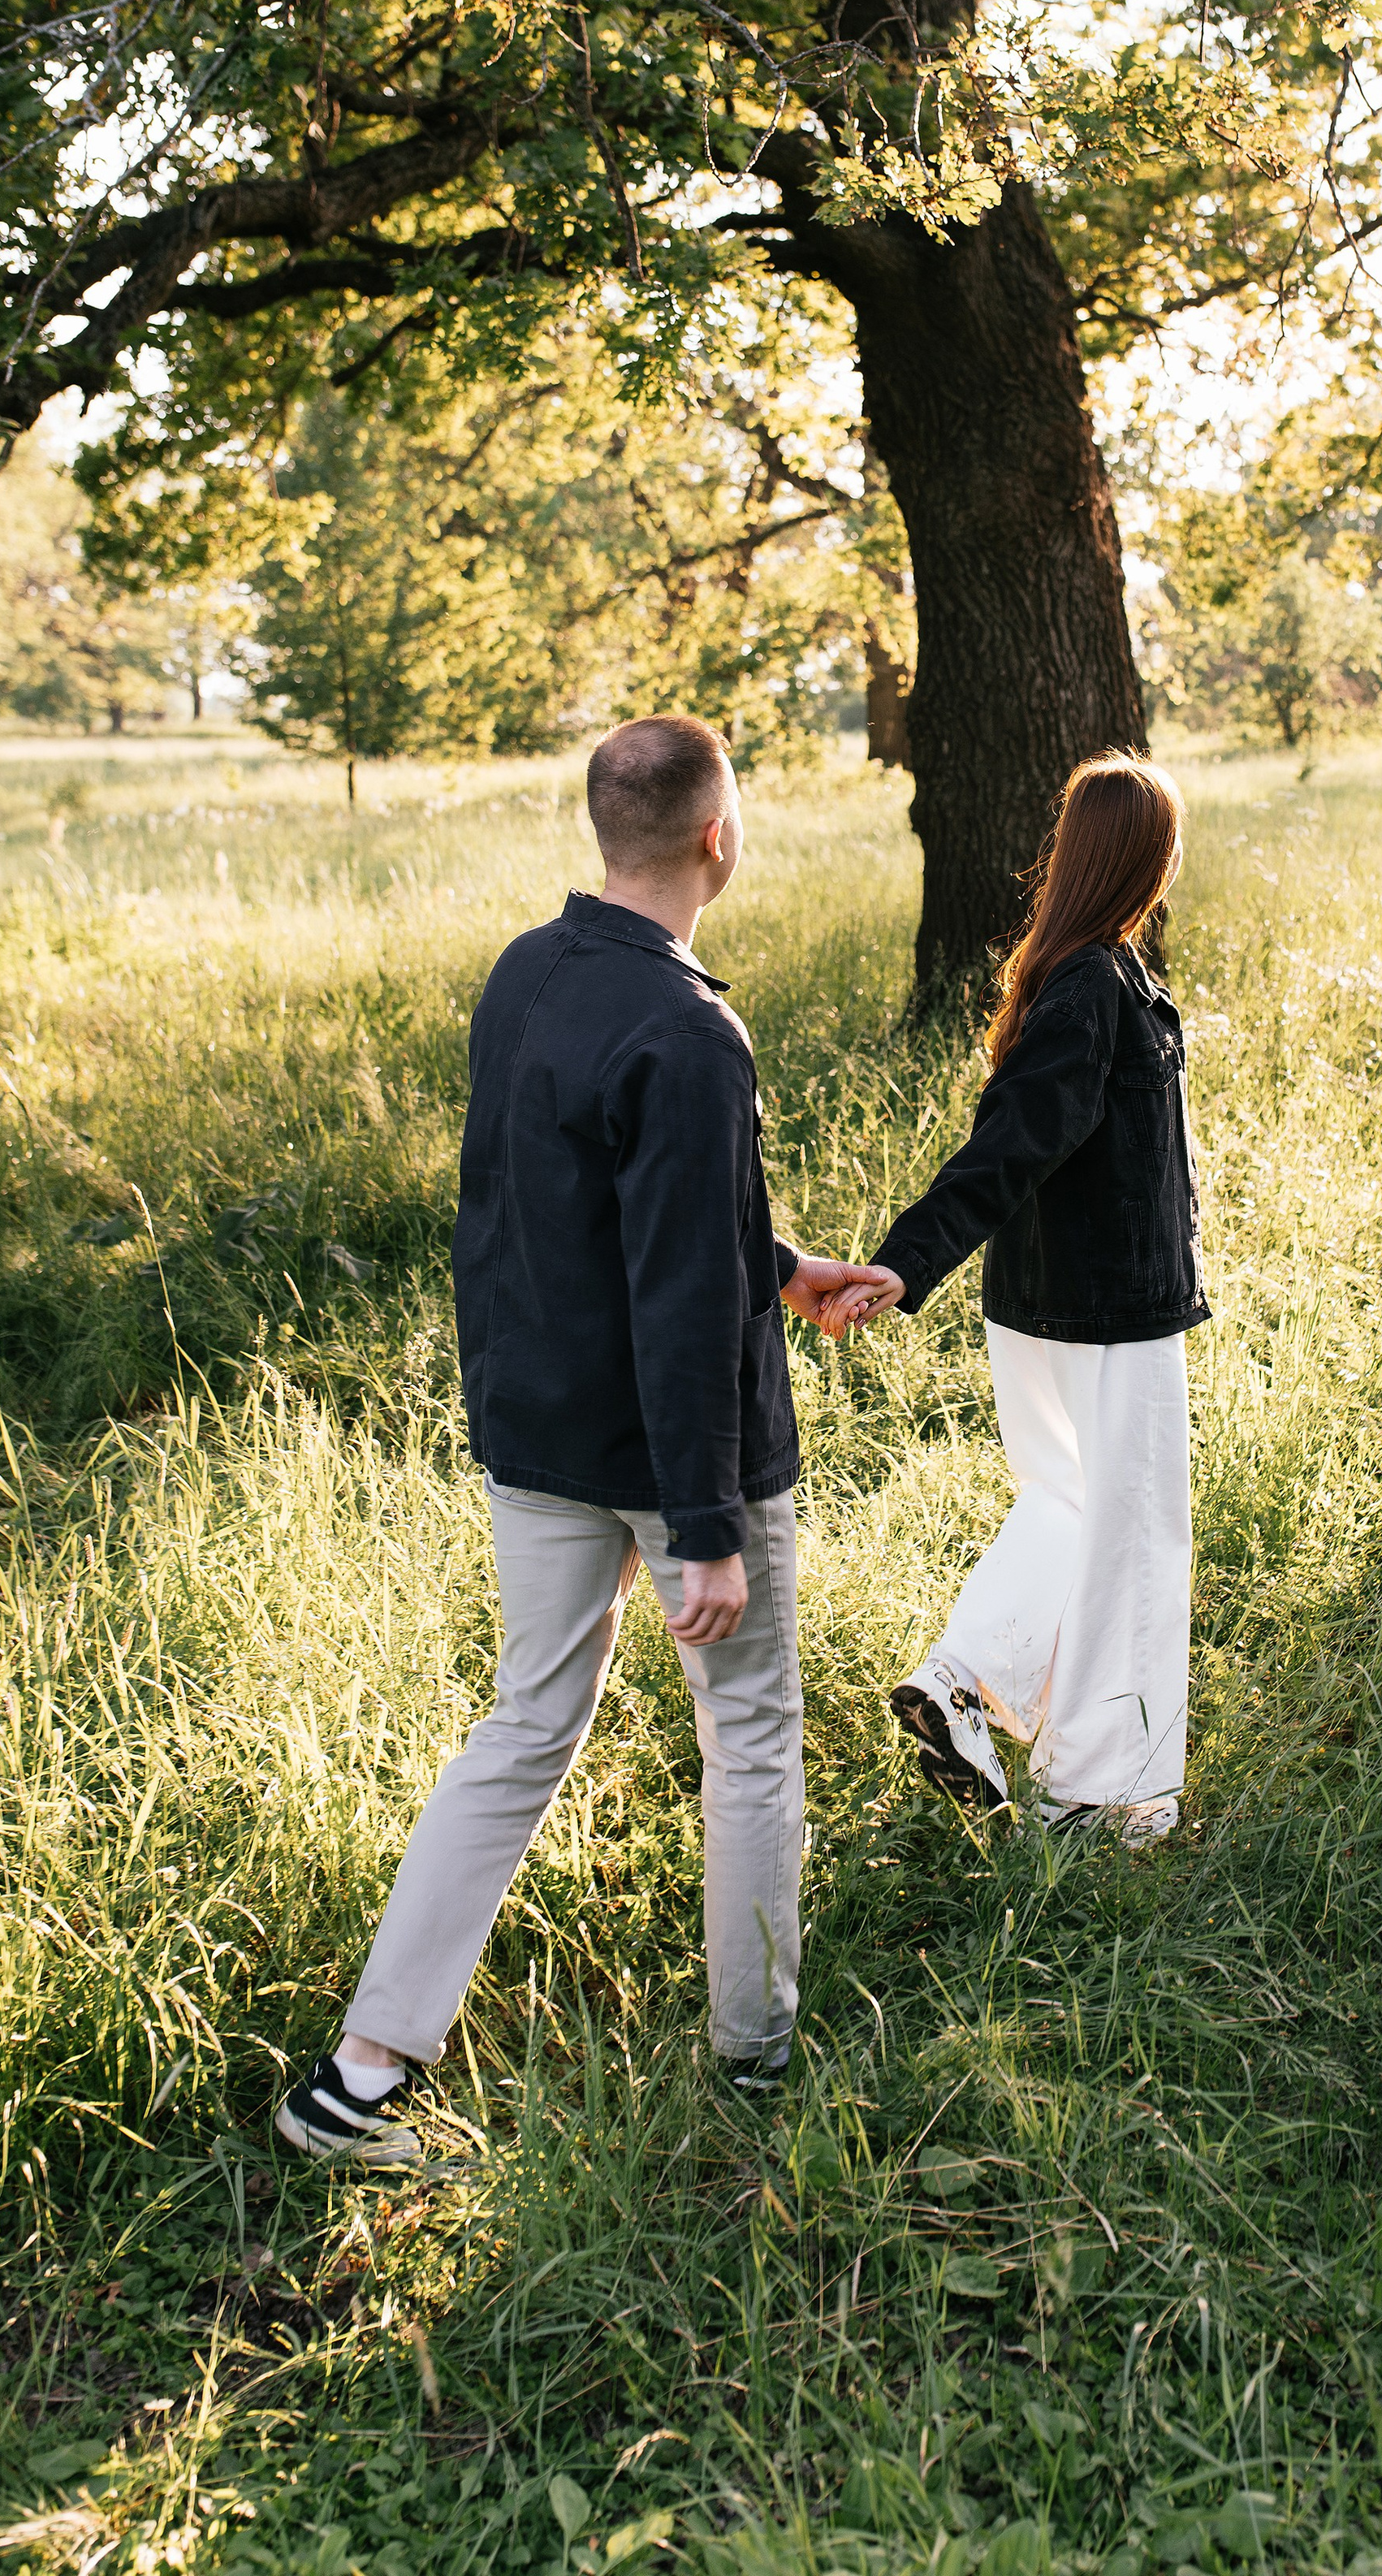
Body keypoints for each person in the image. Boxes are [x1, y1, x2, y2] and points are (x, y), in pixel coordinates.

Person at [274, 715, 878, 2165]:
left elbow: (600, 1211)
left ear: (606, 833)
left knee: (523, 1728)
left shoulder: (528, 973)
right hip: (671, 1457)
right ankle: (754, 2060)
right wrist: (711, 1522)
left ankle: (357, 2079)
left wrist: (779, 1264)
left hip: (535, 1430)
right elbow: (673, 1301)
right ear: (717, 841)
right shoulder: (691, 1029)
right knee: (747, 1737)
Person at [825, 754, 1207, 1842]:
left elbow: (1034, 1144)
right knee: (1132, 1540)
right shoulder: (1094, 984)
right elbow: (1013, 1144)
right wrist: (907, 1261)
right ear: (1150, 856)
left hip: (1049, 1308)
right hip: (1103, 1316)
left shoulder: (1081, 973)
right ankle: (1098, 1792)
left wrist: (913, 1262)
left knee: (1072, 1508)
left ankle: (961, 1684)